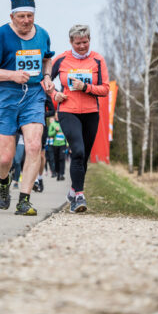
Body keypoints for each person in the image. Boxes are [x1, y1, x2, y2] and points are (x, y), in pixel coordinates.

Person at [0, 0, 55, 216]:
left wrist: (48, 75)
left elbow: (47, 58)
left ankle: (24, 200)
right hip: (3, 96)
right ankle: (3, 182)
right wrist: (11, 75)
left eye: (29, 16)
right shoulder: (1, 35)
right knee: (5, 158)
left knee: (33, 147)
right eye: (21, 16)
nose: (25, 21)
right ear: (12, 16)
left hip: (32, 96)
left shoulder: (43, 34)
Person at [51, 24, 109, 212]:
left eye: (85, 42)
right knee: (77, 151)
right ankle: (79, 197)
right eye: (78, 43)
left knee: (83, 157)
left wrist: (86, 87)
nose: (82, 46)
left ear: (89, 40)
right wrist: (54, 95)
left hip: (91, 113)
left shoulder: (98, 60)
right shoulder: (61, 60)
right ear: (71, 42)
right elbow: (45, 81)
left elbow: (105, 89)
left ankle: (73, 190)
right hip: (68, 111)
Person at [48, 112, 67, 181]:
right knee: (56, 159)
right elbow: (49, 134)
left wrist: (68, 144)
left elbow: (67, 134)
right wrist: (55, 131)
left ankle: (62, 174)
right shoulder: (53, 124)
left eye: (58, 115)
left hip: (62, 144)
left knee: (62, 158)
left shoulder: (64, 123)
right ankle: (57, 172)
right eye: (56, 116)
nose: (57, 117)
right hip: (55, 144)